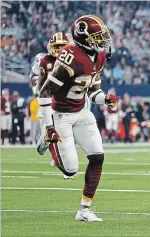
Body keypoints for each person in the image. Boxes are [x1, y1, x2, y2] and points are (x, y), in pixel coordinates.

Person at [37, 15, 117, 221]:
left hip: (82, 112)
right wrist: (48, 126)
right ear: (83, 37)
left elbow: (92, 92)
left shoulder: (99, 57)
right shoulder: (71, 57)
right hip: (61, 114)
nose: (103, 41)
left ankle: (84, 210)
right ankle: (47, 138)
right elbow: (45, 92)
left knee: (98, 157)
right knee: (71, 169)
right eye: (97, 37)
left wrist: (105, 98)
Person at [29, 32, 70, 156]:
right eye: (57, 46)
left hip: (63, 103)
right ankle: (45, 144)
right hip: (48, 104)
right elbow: (33, 77)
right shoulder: (42, 59)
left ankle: (58, 156)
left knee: (65, 132)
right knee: (44, 139)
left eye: (62, 46)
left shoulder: (71, 61)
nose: (60, 49)